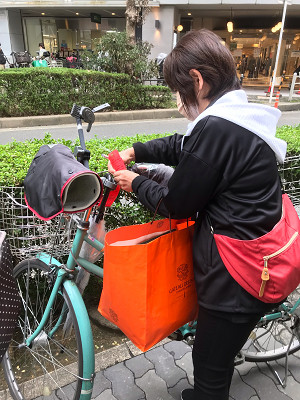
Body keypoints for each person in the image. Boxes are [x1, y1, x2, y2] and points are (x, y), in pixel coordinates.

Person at [108, 29, 286, 400]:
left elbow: (177, 203)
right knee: (213, 357)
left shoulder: (219, 126)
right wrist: (137, 150)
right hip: (256, 257)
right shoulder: (236, 114)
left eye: (177, 91)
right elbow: (186, 146)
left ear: (197, 80)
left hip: (238, 277)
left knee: (209, 366)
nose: (177, 103)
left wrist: (132, 183)